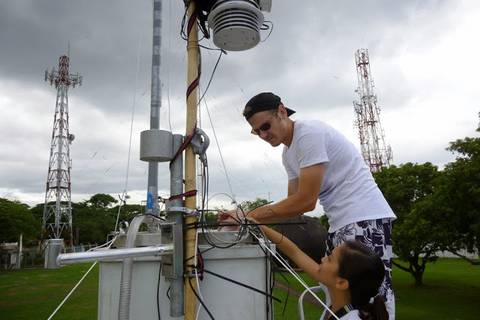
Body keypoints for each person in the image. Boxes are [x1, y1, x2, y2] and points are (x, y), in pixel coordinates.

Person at [221, 92, 396, 318]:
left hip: (364, 217)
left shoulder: (308, 134)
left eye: (266, 126)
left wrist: (245, 216)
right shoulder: (288, 154)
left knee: (371, 299)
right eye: (257, 131)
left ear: (282, 112)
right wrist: (249, 220)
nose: (264, 135)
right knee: (336, 294)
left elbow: (305, 200)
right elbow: (295, 208)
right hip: (341, 222)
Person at [250, 218, 388, 320]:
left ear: (341, 283)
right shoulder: (338, 305)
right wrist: (256, 225)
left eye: (330, 259)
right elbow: (294, 252)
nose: (322, 259)